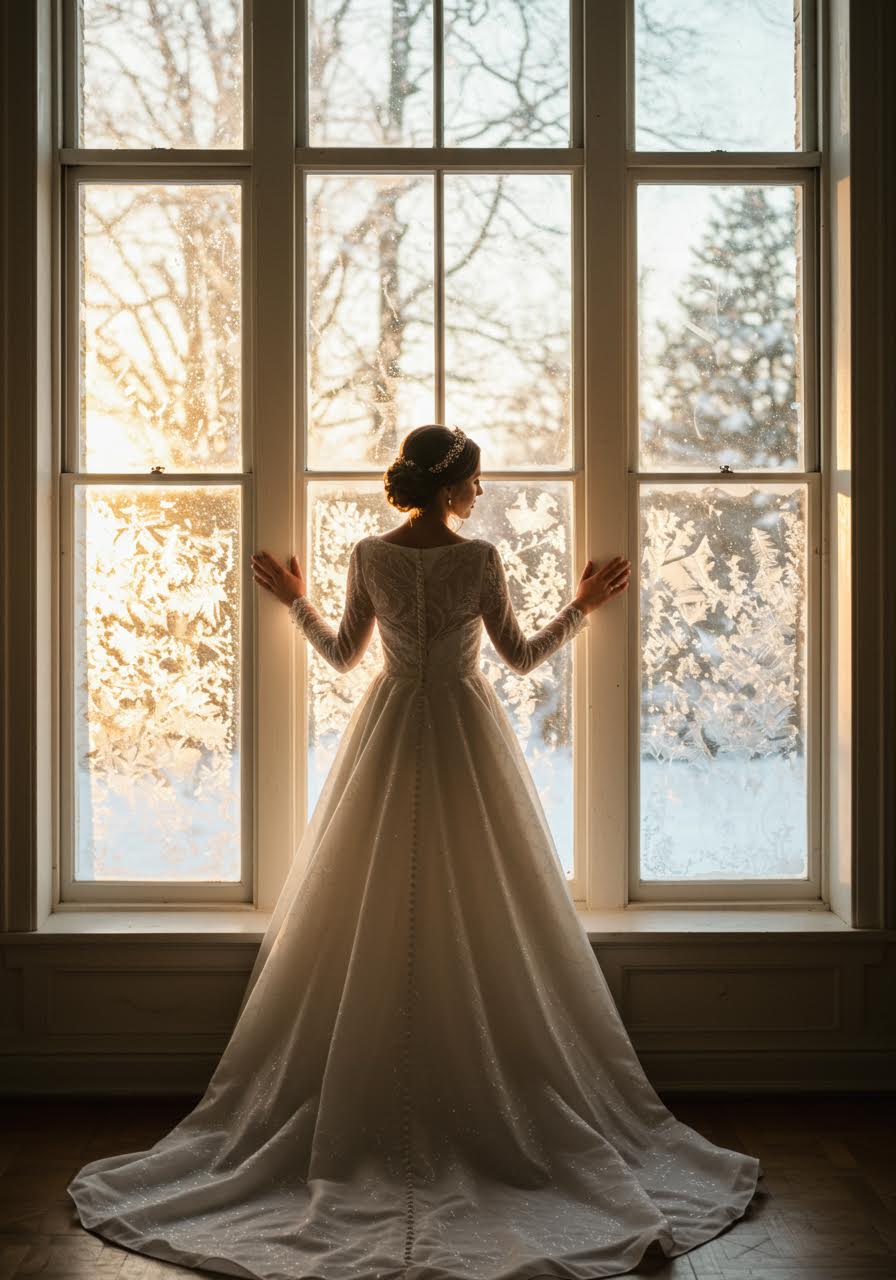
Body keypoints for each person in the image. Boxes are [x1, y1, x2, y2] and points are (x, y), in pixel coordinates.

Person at [67, 424, 762, 1279]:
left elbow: (340, 653)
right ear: (454, 483)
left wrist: (294, 597)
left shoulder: (369, 553)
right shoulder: (478, 560)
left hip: (391, 730)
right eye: (477, 479)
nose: (483, 492)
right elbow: (519, 656)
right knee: (482, 900)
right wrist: (584, 606)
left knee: (370, 900)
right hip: (465, 735)